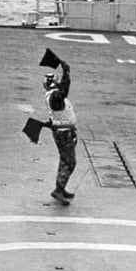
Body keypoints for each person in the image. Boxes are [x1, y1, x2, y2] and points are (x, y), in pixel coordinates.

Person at [43, 60, 77, 205]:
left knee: (65, 161)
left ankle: (60, 187)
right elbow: (64, 91)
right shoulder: (56, 97)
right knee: (69, 162)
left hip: (64, 131)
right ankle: (59, 189)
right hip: (63, 134)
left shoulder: (52, 96)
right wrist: (66, 73)